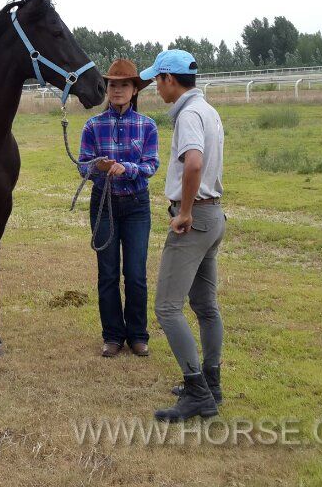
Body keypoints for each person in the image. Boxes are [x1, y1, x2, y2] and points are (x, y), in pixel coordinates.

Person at [138, 49, 226, 421]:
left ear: (169, 79)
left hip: (194, 219)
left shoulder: (188, 115)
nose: (156, 87)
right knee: (206, 307)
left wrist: (185, 211)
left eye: (157, 80)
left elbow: (194, 163)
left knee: (167, 308)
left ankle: (197, 393)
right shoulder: (207, 109)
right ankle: (211, 383)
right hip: (214, 215)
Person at [77, 58, 159, 359]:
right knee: (107, 272)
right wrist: (97, 166)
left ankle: (138, 334)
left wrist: (127, 168)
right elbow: (82, 165)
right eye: (113, 84)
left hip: (137, 205)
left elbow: (151, 165)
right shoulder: (92, 125)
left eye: (124, 84)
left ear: (135, 89)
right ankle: (112, 334)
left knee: (136, 273)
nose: (118, 90)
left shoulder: (147, 125)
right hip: (104, 203)